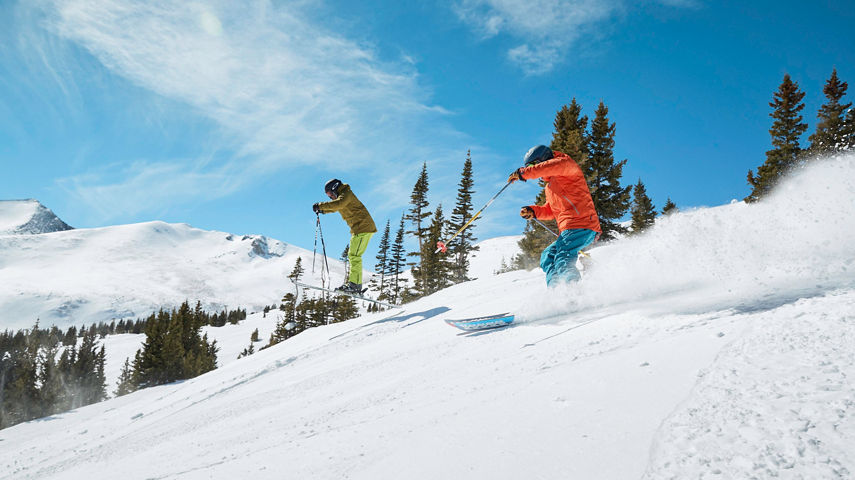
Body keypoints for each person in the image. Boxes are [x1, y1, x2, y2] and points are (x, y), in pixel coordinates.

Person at [508, 145, 601, 286]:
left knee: (563, 256)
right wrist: (534, 211)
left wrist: (523, 173)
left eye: (533, 164)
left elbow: (547, 167)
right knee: (548, 257)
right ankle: (556, 292)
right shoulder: (550, 186)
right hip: (570, 228)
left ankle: (573, 291)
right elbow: (552, 210)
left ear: (543, 159)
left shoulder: (565, 165)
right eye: (529, 166)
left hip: (582, 223)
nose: (532, 168)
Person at [313, 179, 377, 294]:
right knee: (353, 255)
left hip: (363, 228)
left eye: (330, 194)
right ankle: (354, 285)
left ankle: (355, 286)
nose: (330, 197)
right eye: (328, 196)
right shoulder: (343, 197)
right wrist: (321, 210)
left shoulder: (346, 194)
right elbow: (336, 207)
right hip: (359, 229)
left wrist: (320, 205)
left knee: (354, 256)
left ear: (335, 188)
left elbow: (338, 204)